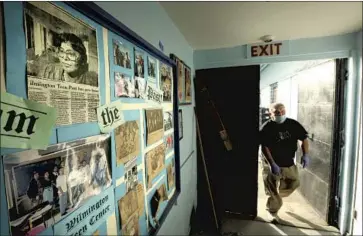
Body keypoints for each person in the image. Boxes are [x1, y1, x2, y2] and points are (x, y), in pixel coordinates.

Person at [259, 103, 311, 222]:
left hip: (288, 162)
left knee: (294, 182)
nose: (280, 114)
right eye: (277, 112)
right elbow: (264, 147)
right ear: (271, 113)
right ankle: (272, 211)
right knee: (271, 189)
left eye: (283, 111)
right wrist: (272, 163)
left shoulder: (293, 124)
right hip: (271, 163)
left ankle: (278, 196)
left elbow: (304, 138)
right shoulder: (266, 127)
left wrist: (305, 155)